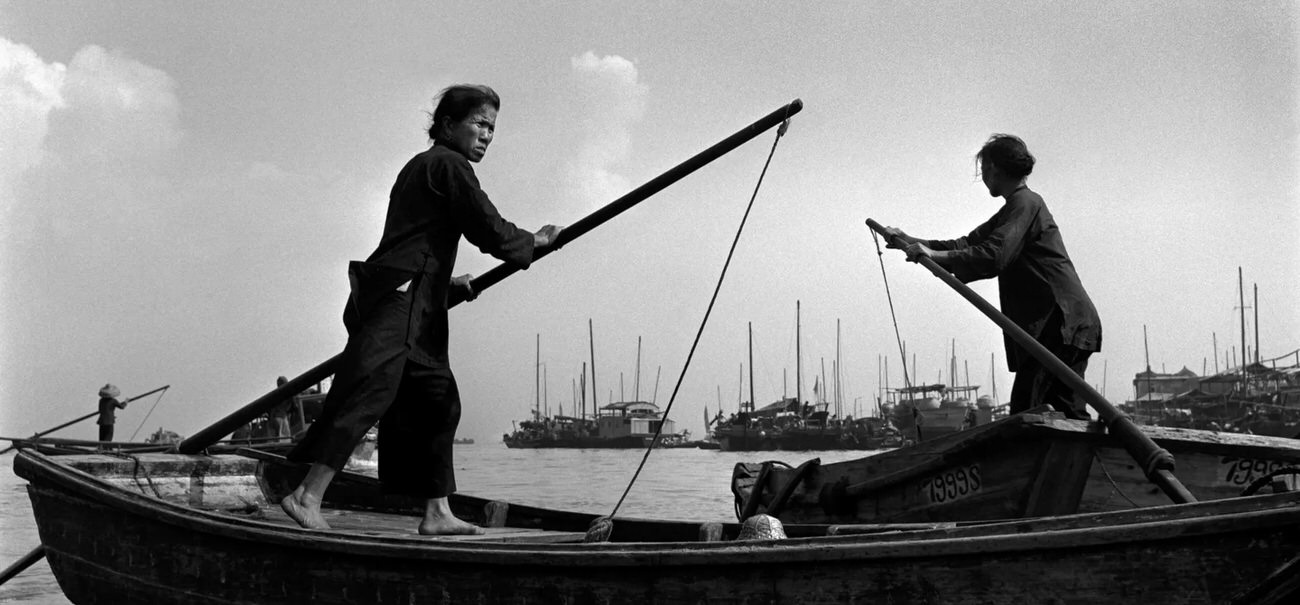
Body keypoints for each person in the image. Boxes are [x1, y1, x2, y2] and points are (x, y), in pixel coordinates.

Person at [282, 84, 563, 534]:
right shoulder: (446, 164)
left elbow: (417, 239)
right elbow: (485, 227)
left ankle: (436, 512)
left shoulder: (424, 167)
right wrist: (534, 241)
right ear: (448, 125)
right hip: (400, 300)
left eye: (492, 127)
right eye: (479, 123)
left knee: (437, 402)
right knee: (368, 394)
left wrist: (447, 282)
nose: (487, 134)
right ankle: (305, 495)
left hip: (419, 300)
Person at [883, 134, 1100, 420]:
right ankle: (1077, 463)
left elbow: (994, 255)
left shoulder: (1026, 203)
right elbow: (965, 245)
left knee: (1029, 415)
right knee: (1066, 415)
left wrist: (935, 256)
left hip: (1059, 325)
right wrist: (908, 240)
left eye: (983, 170)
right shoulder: (1016, 208)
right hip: (1067, 324)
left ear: (993, 169)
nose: (983, 178)